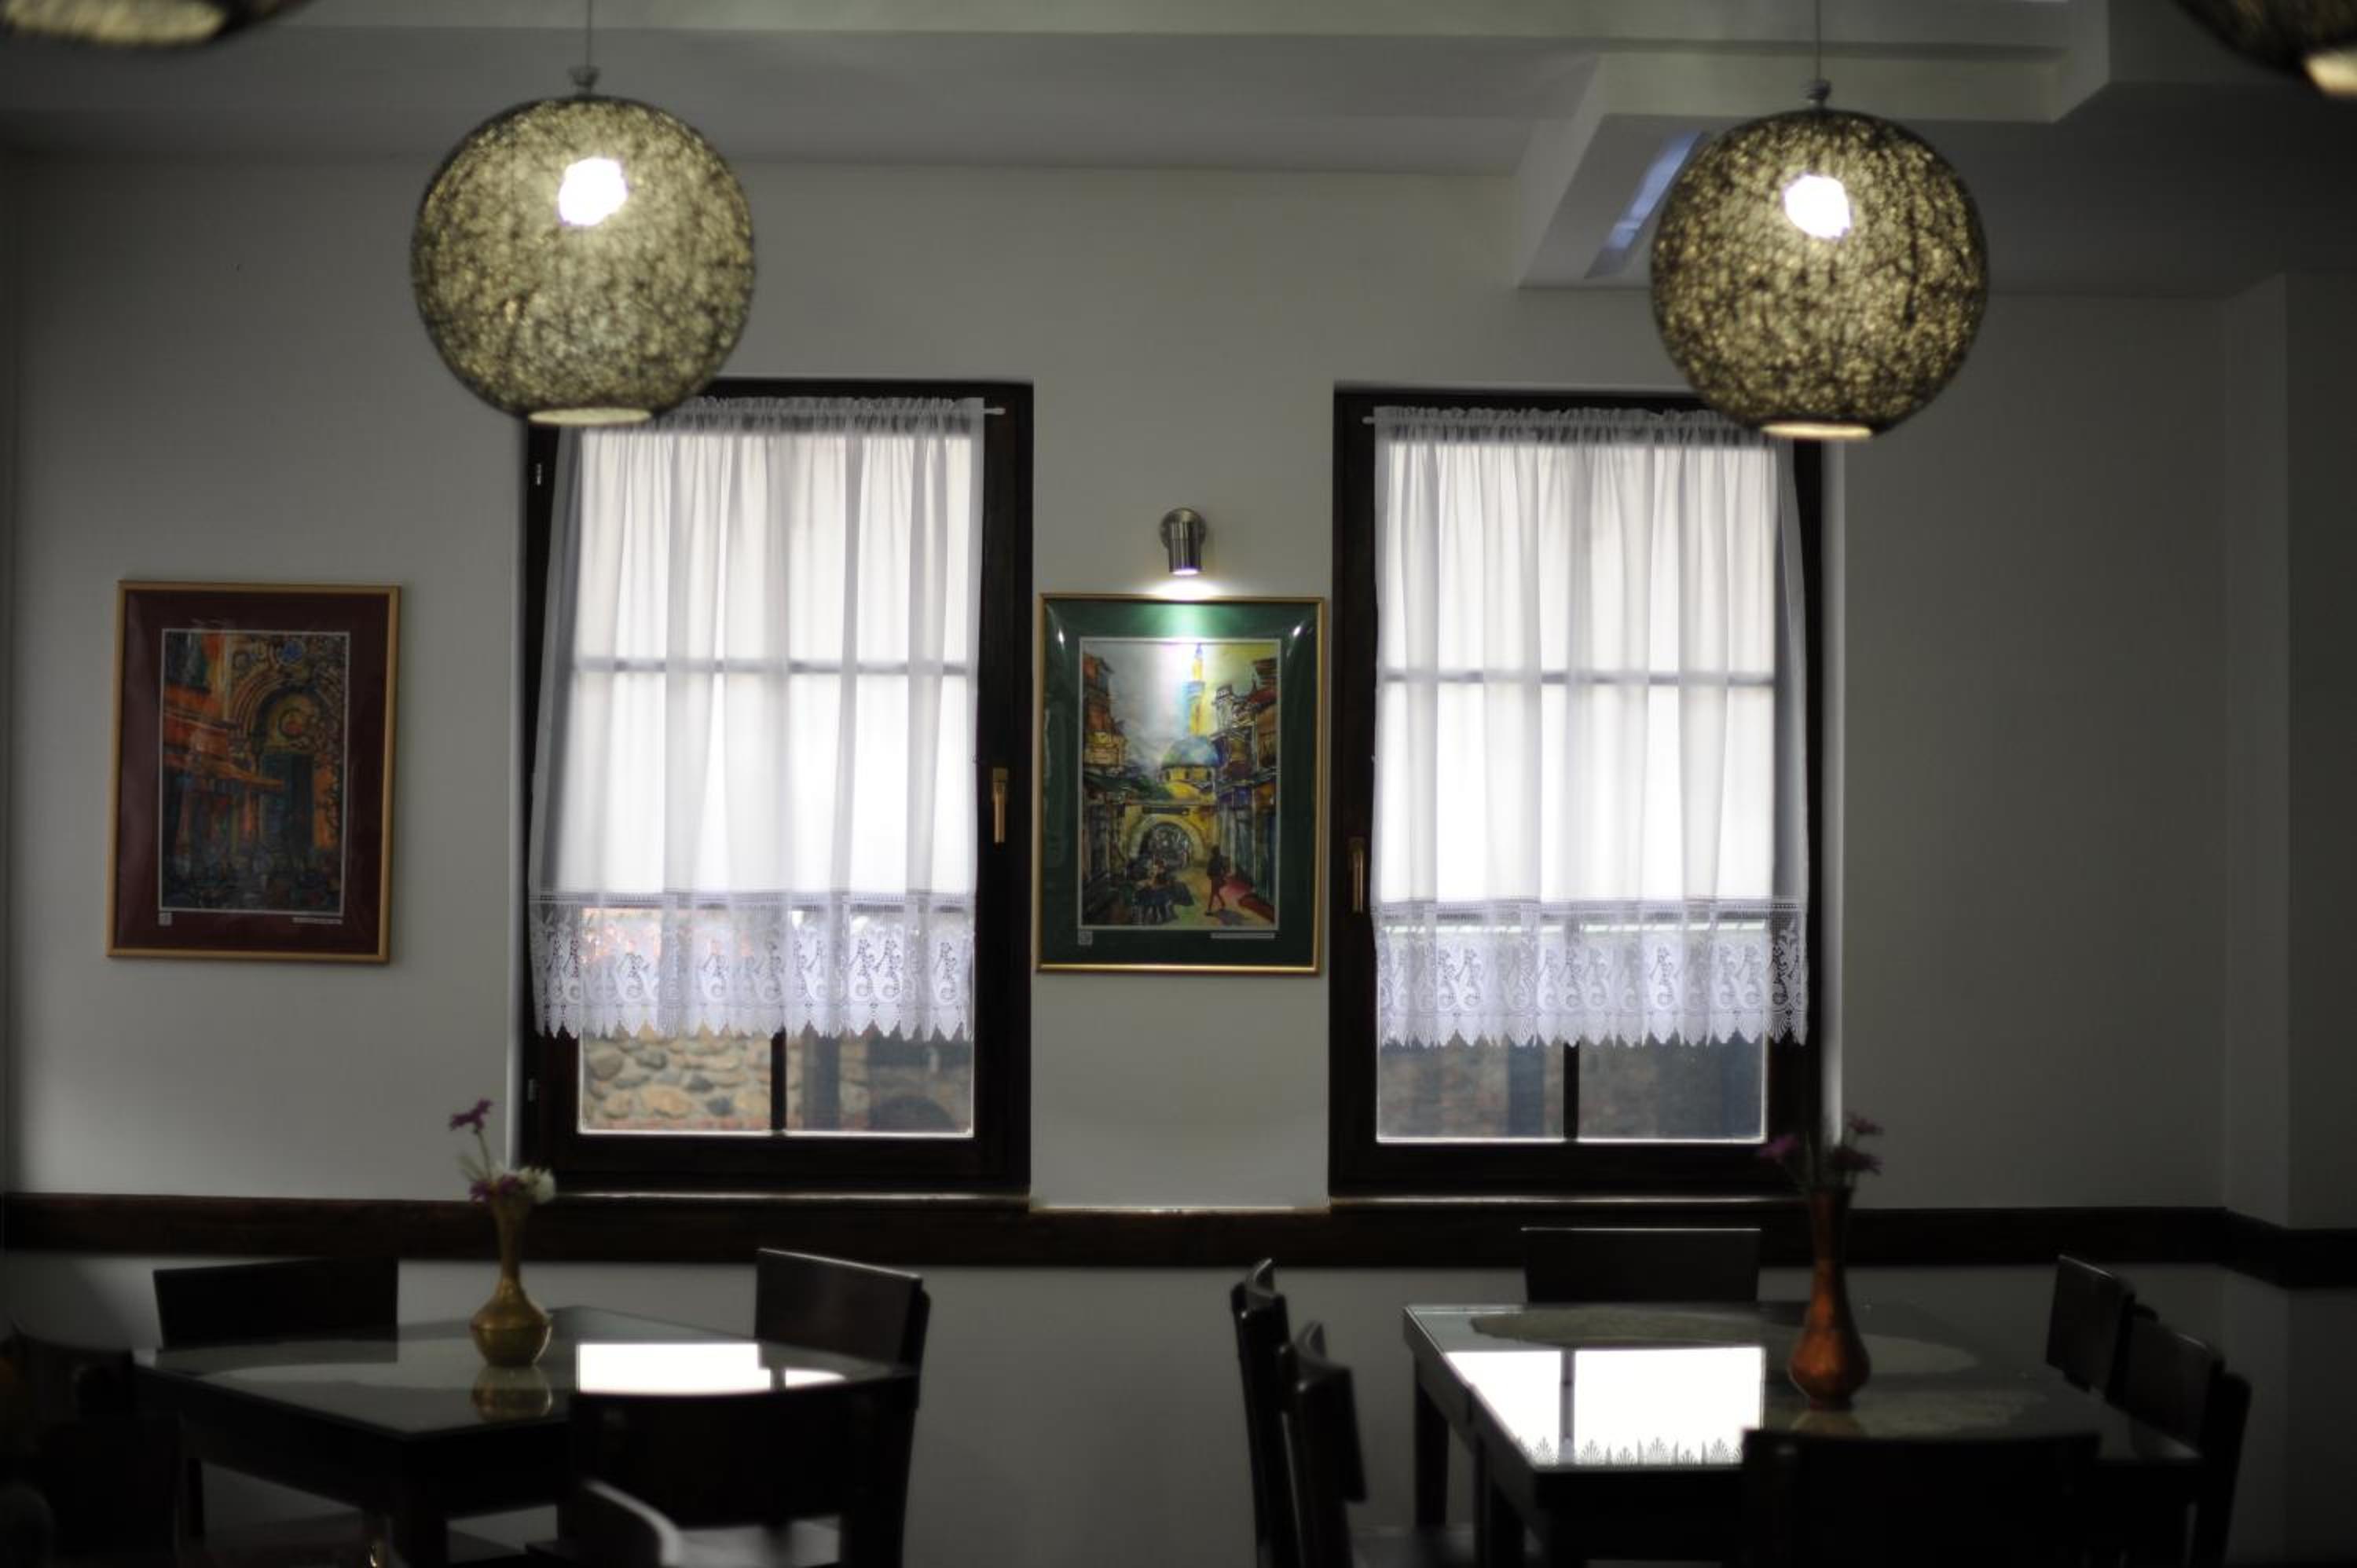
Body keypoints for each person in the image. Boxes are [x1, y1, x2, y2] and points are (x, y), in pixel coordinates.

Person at [1204, 846, 1230, 914]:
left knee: (1213, 893)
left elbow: (1209, 871)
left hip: (1215, 878)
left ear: (1213, 852)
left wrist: (1210, 876)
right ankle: (1223, 904)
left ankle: (1209, 909)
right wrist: (1223, 876)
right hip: (1218, 877)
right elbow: (1225, 869)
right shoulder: (1220, 858)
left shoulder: (1212, 860)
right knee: (1216, 892)